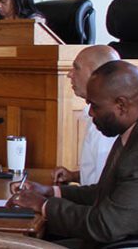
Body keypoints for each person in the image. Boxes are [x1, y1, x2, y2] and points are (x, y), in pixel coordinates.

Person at [9, 61, 138, 246]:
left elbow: (105, 226)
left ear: (121, 105)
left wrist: (43, 205)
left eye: (94, 105)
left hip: (130, 243)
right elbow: (111, 193)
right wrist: (52, 192)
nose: (90, 113)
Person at [52, 45, 119, 186]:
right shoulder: (94, 111)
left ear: (96, 74)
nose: (70, 74)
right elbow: (99, 174)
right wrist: (74, 176)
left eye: (76, 68)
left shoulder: (110, 121)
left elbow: (102, 189)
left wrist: (51, 199)